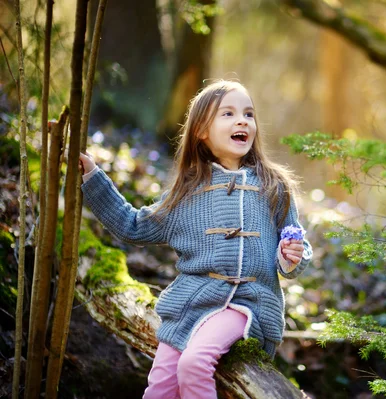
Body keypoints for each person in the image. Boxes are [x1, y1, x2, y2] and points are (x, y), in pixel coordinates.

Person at [78, 80, 312, 399]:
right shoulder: (186, 193)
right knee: (159, 389)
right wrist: (92, 176)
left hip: (248, 303)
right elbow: (132, 225)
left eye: (249, 114)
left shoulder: (273, 186)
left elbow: (295, 249)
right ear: (201, 130)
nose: (242, 120)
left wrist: (290, 256)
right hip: (191, 305)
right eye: (228, 114)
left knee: (194, 363)